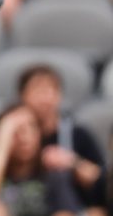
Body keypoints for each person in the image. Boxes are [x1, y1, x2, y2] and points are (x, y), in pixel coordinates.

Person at [0, 105, 85, 216]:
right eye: (16, 130)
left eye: (31, 127)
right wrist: (1, 146)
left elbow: (66, 213)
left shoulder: (52, 174)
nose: (24, 136)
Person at [17, 64, 107, 215]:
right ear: (22, 95)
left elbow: (102, 182)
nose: (44, 98)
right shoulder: (14, 133)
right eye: (37, 90)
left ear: (59, 95)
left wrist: (73, 162)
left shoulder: (78, 134)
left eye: (50, 90)